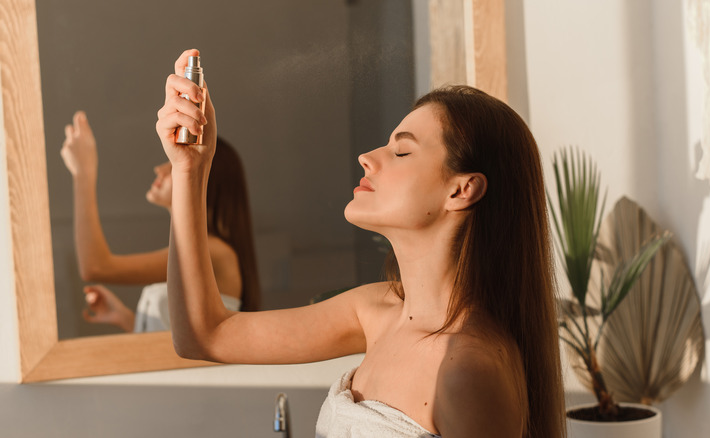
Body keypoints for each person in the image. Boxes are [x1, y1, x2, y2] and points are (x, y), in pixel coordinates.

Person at [156, 49, 565, 437]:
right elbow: (204, 335)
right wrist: (191, 168)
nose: (368, 157)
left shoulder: (468, 369)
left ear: (462, 190)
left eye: (402, 151)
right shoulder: (375, 311)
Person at [61, 112, 260, 333]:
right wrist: (127, 318)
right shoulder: (207, 251)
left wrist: (84, 173)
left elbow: (96, 267)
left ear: (206, 179)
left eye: (173, 163)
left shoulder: (216, 252)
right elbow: (183, 342)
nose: (159, 169)